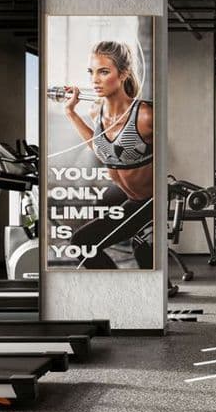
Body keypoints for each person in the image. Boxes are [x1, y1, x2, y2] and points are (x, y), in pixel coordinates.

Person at [61, 40, 153, 268]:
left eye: (104, 72)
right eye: (91, 72)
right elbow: (103, 149)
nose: (95, 80)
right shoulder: (96, 112)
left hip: (150, 201)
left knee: (84, 242)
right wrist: (71, 113)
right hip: (130, 198)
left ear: (123, 75)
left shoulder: (145, 116)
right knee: (82, 242)